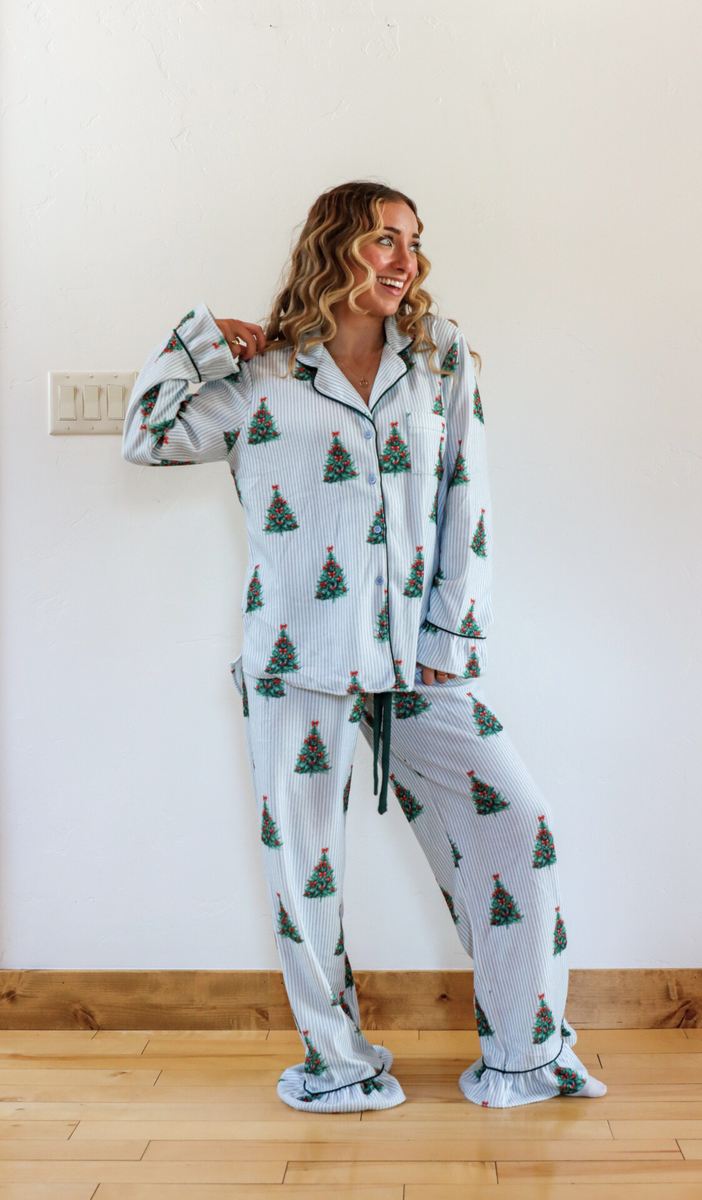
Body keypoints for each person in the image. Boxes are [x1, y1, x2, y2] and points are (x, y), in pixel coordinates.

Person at [121, 179, 606, 1111]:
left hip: (420, 660)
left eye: (414, 243)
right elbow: (145, 438)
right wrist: (191, 343)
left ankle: (526, 1054)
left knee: (516, 824)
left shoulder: (439, 358)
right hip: (296, 657)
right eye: (385, 238)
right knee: (306, 875)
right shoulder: (257, 372)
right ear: (335, 245)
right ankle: (336, 1065)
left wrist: (450, 632)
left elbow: (469, 493)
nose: (405, 259)